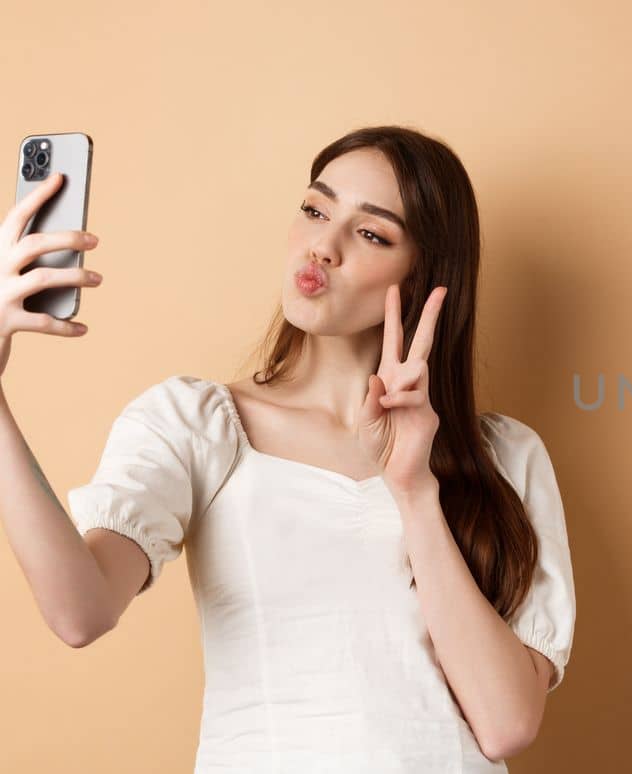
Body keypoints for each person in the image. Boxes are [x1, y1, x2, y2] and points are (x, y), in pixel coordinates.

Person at [0, 125, 576, 772]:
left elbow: (504, 726)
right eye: (314, 210)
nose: (322, 246)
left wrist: (414, 491)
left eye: (370, 233)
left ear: (423, 277)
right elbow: (79, 611)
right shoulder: (197, 424)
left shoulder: (505, 455)